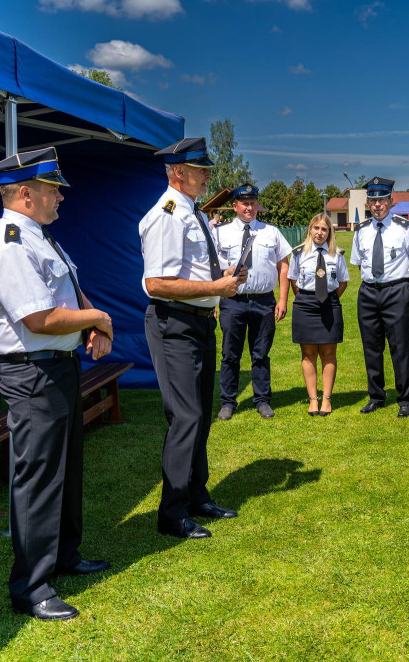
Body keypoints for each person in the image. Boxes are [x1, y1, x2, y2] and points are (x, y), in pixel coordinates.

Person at [0, 147, 113, 621]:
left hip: (57, 366)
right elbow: (37, 317)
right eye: (53, 189)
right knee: (37, 477)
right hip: (32, 371)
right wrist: (98, 317)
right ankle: (30, 587)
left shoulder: (41, 237)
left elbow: (68, 292)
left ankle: (64, 556)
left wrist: (90, 322)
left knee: (65, 467)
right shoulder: (11, 242)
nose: (60, 197)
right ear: (25, 194)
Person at [139, 137, 248, 541]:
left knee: (201, 412)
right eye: (201, 170)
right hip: (174, 323)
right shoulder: (168, 214)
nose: (207, 176)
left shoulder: (192, 212)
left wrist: (217, 286)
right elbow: (157, 283)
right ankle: (172, 513)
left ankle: (197, 495)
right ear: (178, 172)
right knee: (185, 416)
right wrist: (216, 287)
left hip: (198, 320)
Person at [214, 183, 292, 420]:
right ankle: (228, 402)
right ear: (235, 206)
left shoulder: (271, 232)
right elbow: (212, 268)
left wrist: (282, 299)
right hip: (232, 301)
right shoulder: (220, 233)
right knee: (230, 354)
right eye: (244, 203)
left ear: (258, 204)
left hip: (263, 301)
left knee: (260, 354)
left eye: (253, 203)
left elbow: (284, 265)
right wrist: (214, 301)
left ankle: (262, 400)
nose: (249, 207)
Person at [350, 176, 409, 417]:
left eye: (382, 200)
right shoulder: (360, 231)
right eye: (373, 200)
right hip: (368, 292)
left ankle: (406, 398)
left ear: (392, 201)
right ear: (368, 203)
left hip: (396, 291)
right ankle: (376, 396)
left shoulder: (406, 227)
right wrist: (375, 284)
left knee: (399, 347)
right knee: (371, 348)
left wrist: (400, 288)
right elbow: (360, 264)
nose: (377, 205)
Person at [289, 213, 349, 416]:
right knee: (308, 354)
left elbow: (342, 283)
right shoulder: (298, 254)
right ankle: (313, 399)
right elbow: (294, 282)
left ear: (329, 232)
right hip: (305, 306)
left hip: (330, 305)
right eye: (316, 228)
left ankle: (327, 399)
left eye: (324, 229)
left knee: (329, 353)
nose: (320, 233)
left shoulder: (337, 255)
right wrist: (309, 299)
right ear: (310, 230)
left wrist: (327, 299)